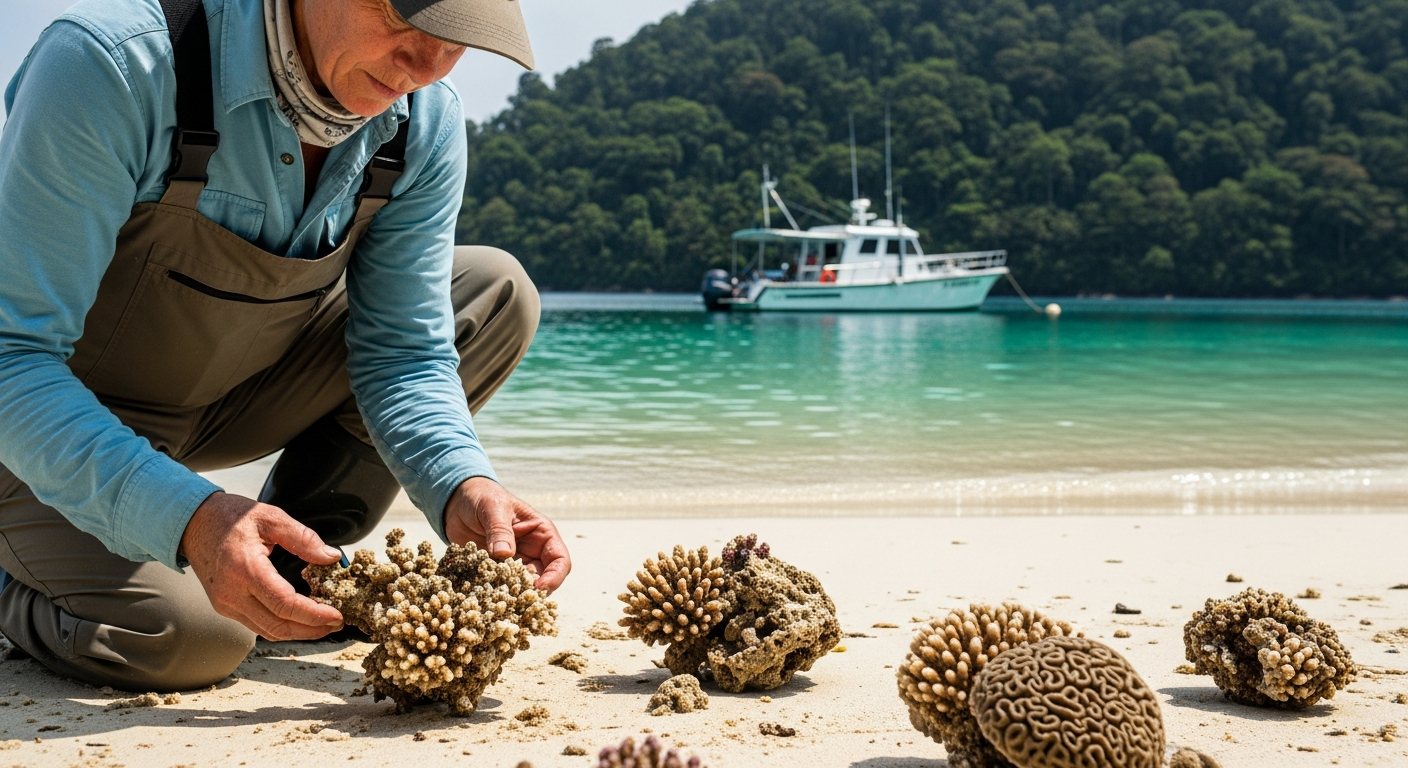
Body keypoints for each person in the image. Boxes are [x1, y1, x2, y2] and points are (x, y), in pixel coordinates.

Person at [0, 0, 571, 692]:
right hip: (35, 429)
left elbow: (404, 354)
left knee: (492, 292)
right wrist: (187, 516)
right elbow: (13, 357)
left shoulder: (426, 119)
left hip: (219, 400)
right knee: (190, 640)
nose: (427, 64)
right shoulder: (111, 65)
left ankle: (297, 562)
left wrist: (460, 481)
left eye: (460, 38)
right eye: (406, 20)